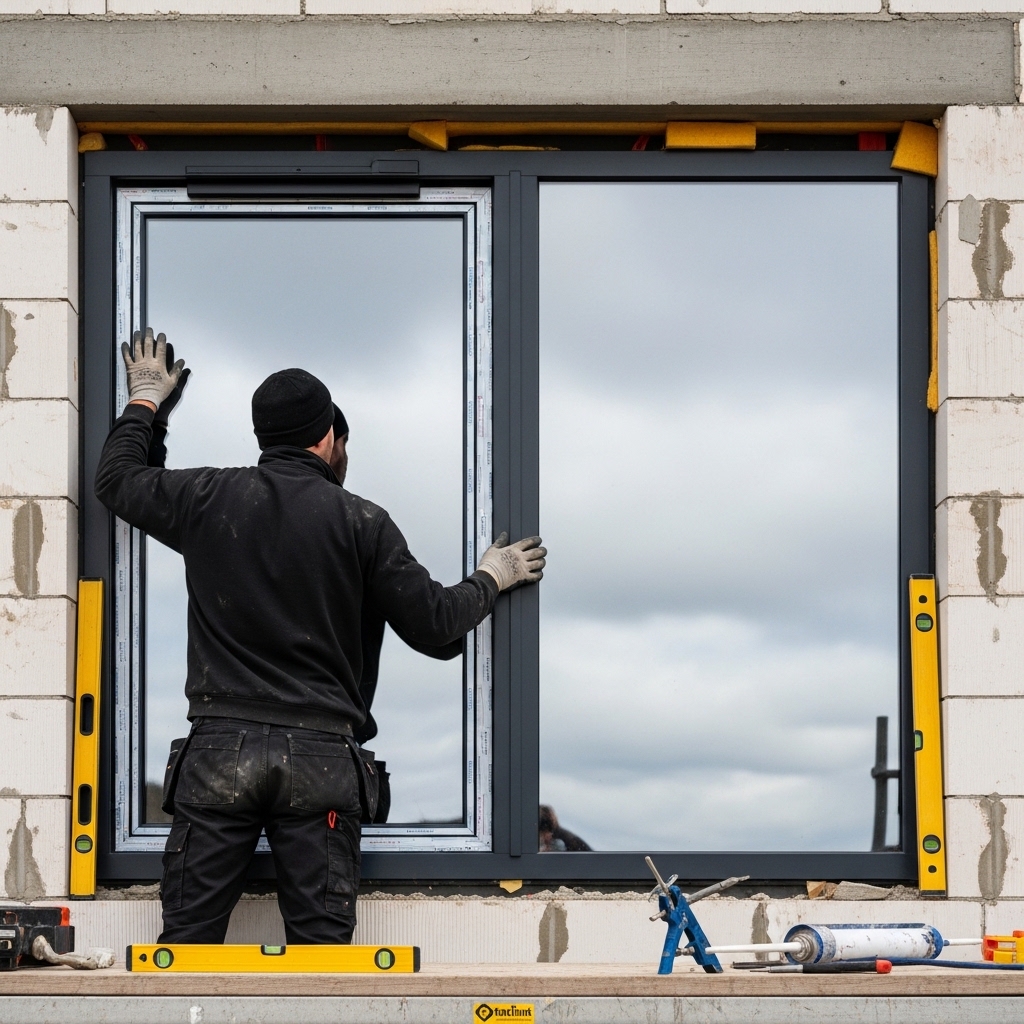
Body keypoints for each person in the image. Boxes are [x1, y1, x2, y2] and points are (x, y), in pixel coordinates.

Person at [95, 329, 547, 945]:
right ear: (327, 436)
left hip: (218, 754)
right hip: (322, 761)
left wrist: (148, 403)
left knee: (187, 954)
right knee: (321, 967)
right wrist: (493, 578)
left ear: (264, 436)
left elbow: (118, 481)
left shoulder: (205, 498)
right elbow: (437, 626)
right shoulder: (362, 522)